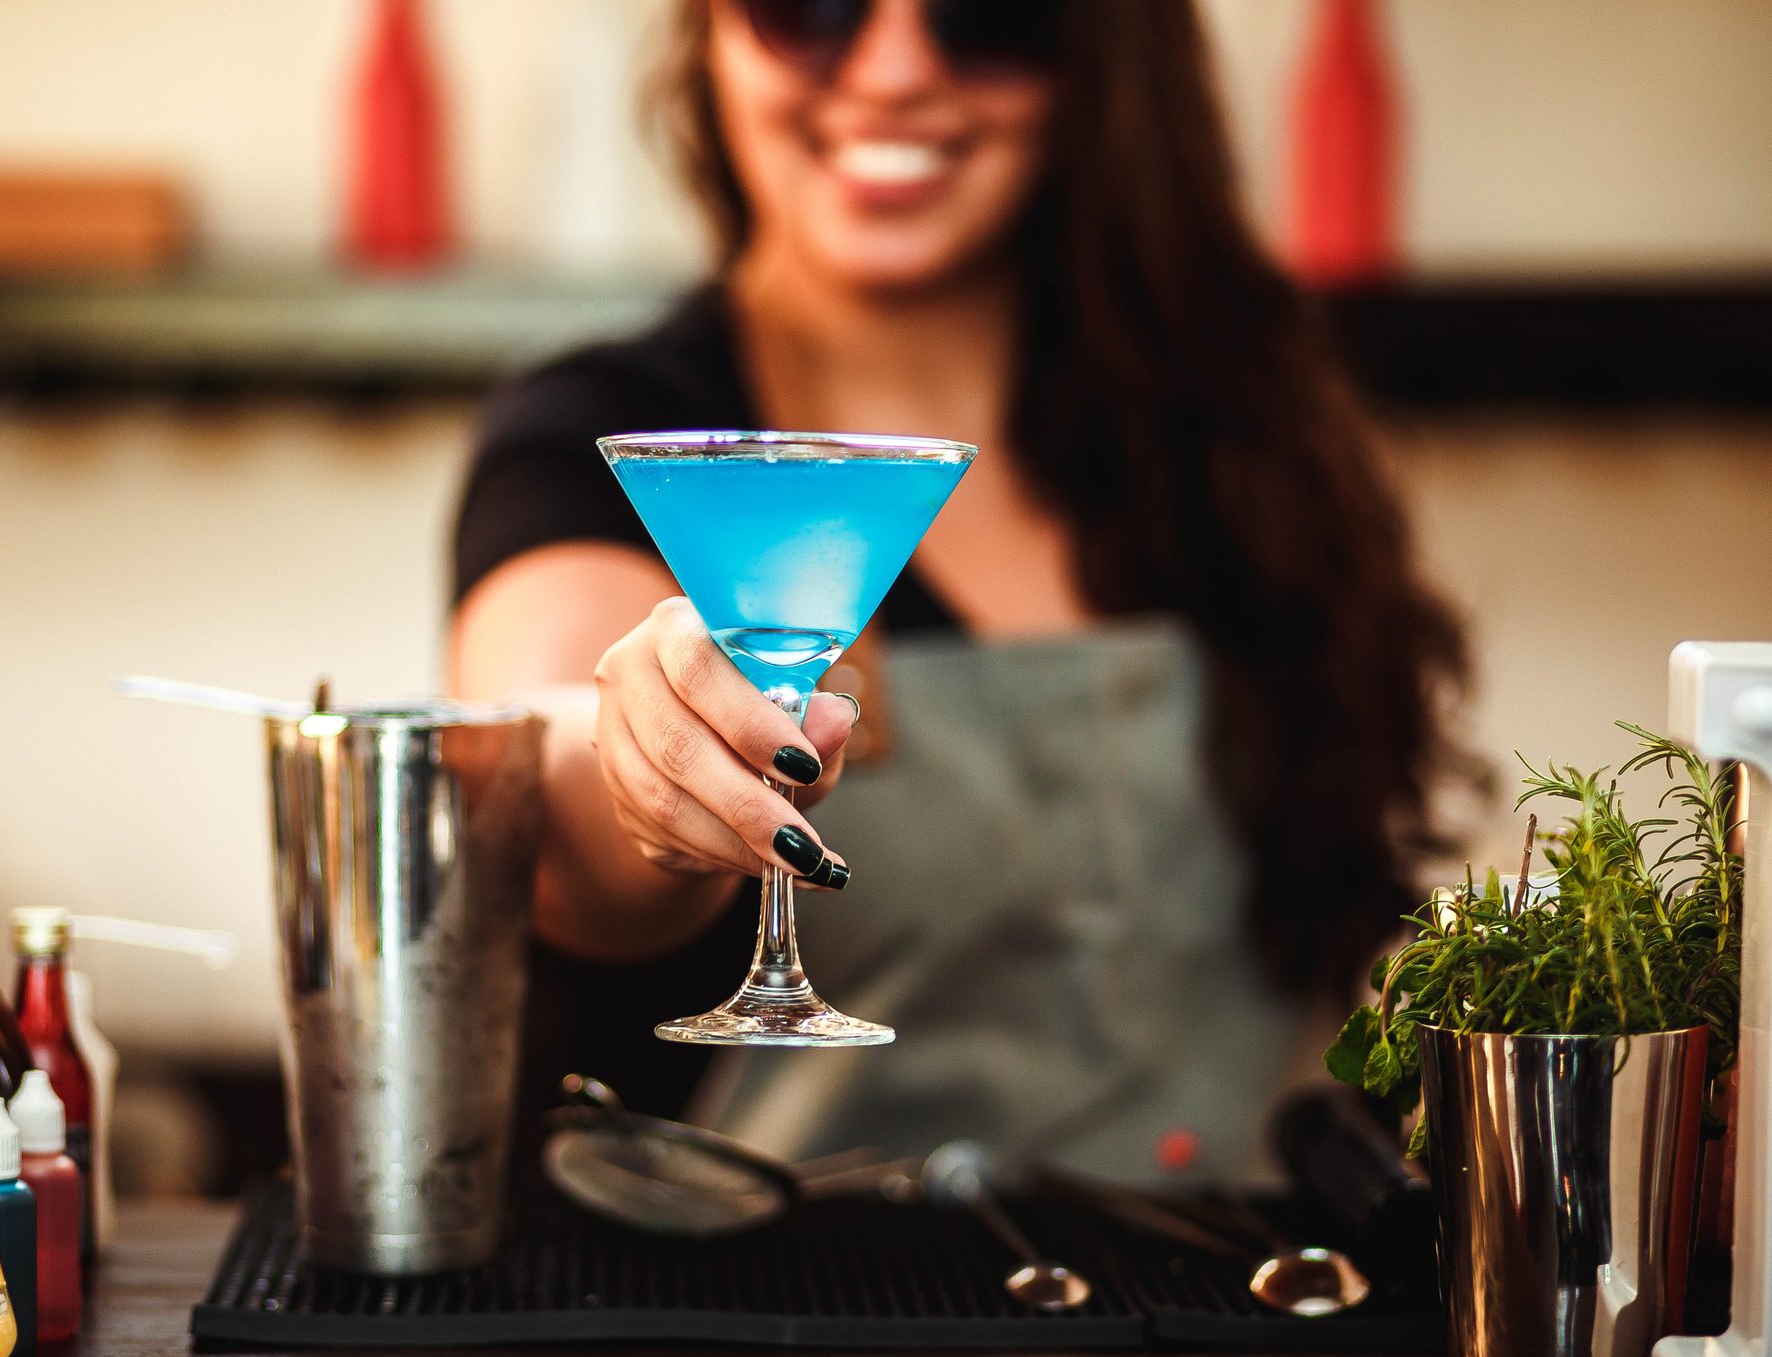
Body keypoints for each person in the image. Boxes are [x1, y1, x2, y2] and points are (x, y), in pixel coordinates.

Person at [450, 0, 1468, 1181]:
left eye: (987, 15)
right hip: (778, 1326)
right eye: (809, 10)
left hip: (1231, 1312)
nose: (890, 72)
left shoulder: (1246, 451)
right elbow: (548, 774)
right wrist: (643, 748)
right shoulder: (595, 434)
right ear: (709, 37)